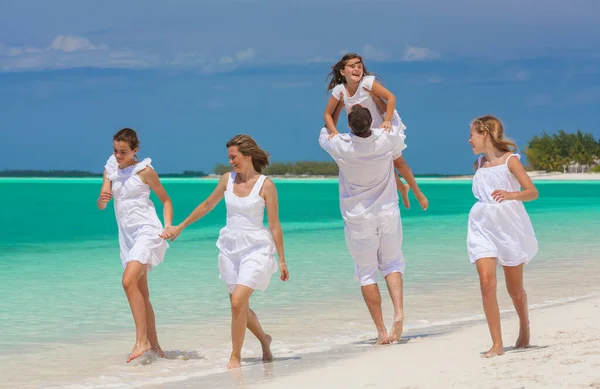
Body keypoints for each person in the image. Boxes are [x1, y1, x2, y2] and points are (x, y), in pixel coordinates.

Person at [162, 134, 290, 369]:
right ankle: (264, 339)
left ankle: (235, 357)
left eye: (233, 157)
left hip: (256, 248)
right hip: (230, 247)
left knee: (238, 301)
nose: (230, 161)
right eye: (229, 157)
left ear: (247, 156)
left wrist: (281, 259)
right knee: (237, 305)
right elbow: (207, 205)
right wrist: (181, 226)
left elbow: (274, 224)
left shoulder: (266, 185)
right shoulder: (226, 180)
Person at [319, 105, 407, 344]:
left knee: (367, 273)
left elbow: (325, 130)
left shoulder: (341, 146)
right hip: (387, 213)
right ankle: (398, 312)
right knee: (392, 263)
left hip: (359, 219)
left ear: (350, 127)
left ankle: (381, 331)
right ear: (372, 123)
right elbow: (396, 120)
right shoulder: (386, 139)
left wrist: (337, 102)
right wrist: (387, 118)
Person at [97, 128, 173, 363]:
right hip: (127, 236)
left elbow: (166, 200)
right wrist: (102, 199)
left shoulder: (145, 171)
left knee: (128, 281)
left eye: (123, 152)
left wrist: (168, 226)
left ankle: (142, 341)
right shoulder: (110, 169)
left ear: (135, 150)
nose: (118, 156)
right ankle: (156, 347)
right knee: (141, 292)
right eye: (115, 151)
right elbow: (102, 205)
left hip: (147, 231)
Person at [467, 115, 539, 358]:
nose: (469, 140)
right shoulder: (478, 164)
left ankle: (524, 325)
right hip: (481, 225)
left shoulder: (511, 161)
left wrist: (511, 195)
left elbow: (532, 192)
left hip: (508, 225)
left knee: (514, 288)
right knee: (486, 283)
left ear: (484, 134)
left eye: (472, 135)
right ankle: (497, 344)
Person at [324, 52, 428, 211]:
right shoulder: (340, 91)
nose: (357, 68)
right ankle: (401, 188)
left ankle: (417, 192)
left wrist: (387, 121)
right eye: (352, 66)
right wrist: (334, 132)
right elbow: (327, 114)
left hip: (384, 126)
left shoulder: (367, 82)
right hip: (365, 131)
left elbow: (391, 97)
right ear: (342, 71)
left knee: (398, 162)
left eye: (359, 66)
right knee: (382, 164)